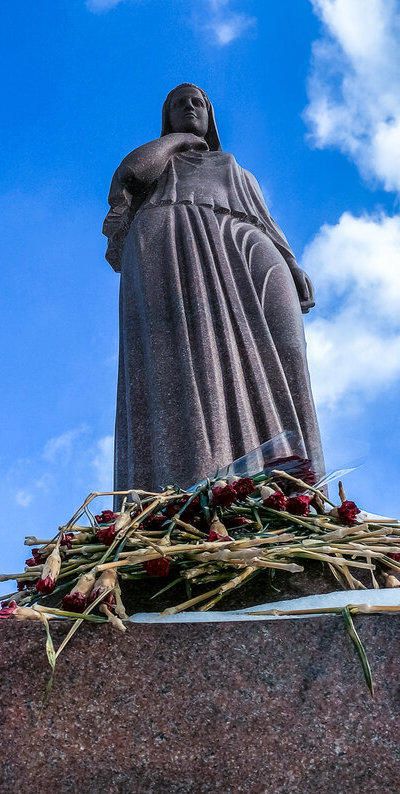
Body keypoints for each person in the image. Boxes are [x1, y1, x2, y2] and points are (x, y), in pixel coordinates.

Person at [104, 83, 324, 493]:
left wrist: (291, 262)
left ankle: (298, 488)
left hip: (245, 241)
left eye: (198, 103)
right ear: (167, 117)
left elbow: (265, 220)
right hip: (176, 238)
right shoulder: (162, 163)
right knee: (191, 349)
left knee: (288, 349)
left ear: (211, 115)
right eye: (179, 104)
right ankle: (194, 478)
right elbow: (130, 174)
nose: (190, 107)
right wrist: (180, 140)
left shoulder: (238, 172)